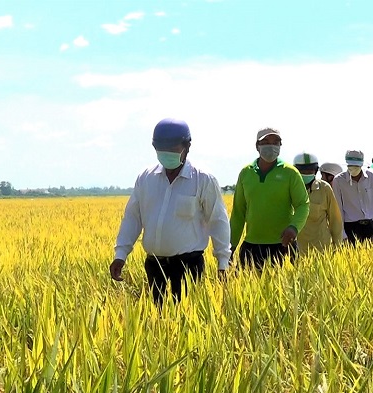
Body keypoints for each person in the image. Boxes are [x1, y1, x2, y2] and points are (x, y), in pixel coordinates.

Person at [111, 118, 231, 304]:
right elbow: (132, 218)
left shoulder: (203, 179)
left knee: (185, 324)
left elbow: (218, 220)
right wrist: (121, 255)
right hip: (154, 266)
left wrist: (223, 261)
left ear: (187, 146)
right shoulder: (146, 178)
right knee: (155, 321)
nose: (166, 154)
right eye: (161, 149)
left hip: (188, 267)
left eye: (172, 149)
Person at [230, 128, 310, 270]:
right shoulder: (246, 173)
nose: (271, 146)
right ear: (257, 146)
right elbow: (238, 213)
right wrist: (230, 247)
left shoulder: (290, 173)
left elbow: (302, 204)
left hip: (284, 246)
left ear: (280, 146)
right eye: (266, 142)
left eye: (275, 142)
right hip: (252, 247)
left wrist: (294, 227)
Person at [332, 150, 373, 245]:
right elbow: (338, 210)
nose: (353, 169)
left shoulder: (370, 177)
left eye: (356, 166)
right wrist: (343, 235)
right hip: (351, 228)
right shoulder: (339, 180)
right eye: (351, 166)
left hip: (371, 227)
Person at [293, 153, 343, 252]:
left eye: (310, 170)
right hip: (297, 248)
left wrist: (337, 246)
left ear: (316, 171)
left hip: (322, 247)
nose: (306, 173)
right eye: (302, 170)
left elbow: (335, 220)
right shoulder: (290, 188)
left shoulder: (325, 188)